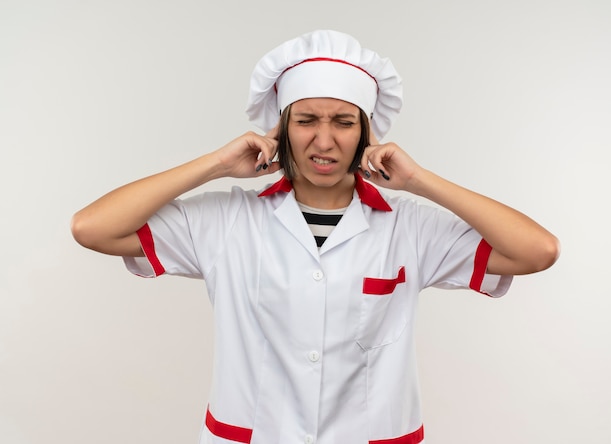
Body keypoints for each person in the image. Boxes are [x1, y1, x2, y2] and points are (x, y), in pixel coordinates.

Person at [71, 30, 559, 444]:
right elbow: (92, 227)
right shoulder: (225, 221)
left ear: (366, 132)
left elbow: (538, 250)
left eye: (343, 122)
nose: (324, 141)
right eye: (305, 121)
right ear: (281, 129)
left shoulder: (409, 227)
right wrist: (217, 164)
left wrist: (419, 180)